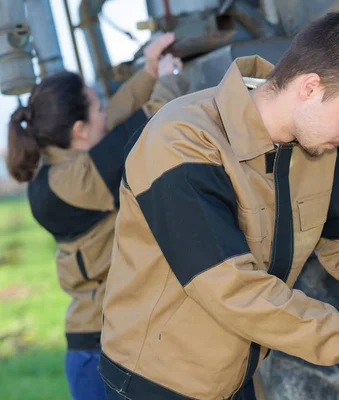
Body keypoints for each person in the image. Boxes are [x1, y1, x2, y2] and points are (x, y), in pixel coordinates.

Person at [99, 12, 339, 400]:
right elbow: (233, 290)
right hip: (155, 385)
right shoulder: (181, 141)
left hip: (233, 379)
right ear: (310, 87)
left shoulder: (318, 143)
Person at [6, 33, 189, 400]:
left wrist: (151, 68)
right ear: (78, 131)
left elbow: (115, 118)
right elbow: (149, 126)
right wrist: (171, 79)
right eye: (95, 107)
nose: (104, 111)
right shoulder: (78, 180)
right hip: (104, 354)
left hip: (95, 346)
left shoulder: (59, 170)